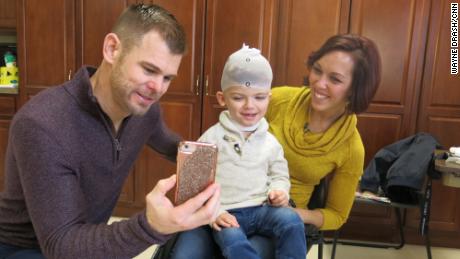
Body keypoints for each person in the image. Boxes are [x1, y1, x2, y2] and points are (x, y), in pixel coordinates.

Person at [0, 4, 220, 259]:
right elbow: (61, 246)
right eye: (149, 69)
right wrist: (151, 227)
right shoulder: (42, 125)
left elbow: (171, 144)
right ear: (112, 49)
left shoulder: (145, 111)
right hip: (23, 247)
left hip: (83, 237)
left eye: (167, 78)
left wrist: (209, 160)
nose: (157, 87)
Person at [165, 33, 382, 258]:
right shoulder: (276, 100)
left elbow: (337, 215)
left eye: (335, 79)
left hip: (274, 210)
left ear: (355, 89)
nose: (319, 83)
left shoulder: (351, 148)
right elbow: (198, 172)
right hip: (222, 205)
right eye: (317, 70)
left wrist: (289, 209)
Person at [171, 45, 307, 259]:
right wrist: (216, 214)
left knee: (292, 221)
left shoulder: (271, 143)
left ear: (269, 98)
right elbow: (192, 188)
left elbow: (279, 175)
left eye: (259, 97)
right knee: (232, 240)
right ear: (222, 98)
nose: (249, 105)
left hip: (262, 210)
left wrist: (280, 191)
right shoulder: (210, 139)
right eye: (238, 97)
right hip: (226, 213)